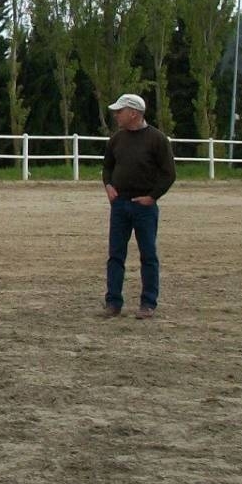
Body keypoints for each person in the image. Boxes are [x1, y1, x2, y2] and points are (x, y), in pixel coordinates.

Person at [101, 93, 175, 319]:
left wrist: (152, 197)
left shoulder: (157, 139)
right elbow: (107, 167)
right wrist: (109, 186)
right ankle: (113, 302)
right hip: (120, 205)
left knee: (148, 255)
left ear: (133, 113)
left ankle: (148, 303)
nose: (116, 115)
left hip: (144, 207)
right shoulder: (116, 139)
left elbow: (168, 174)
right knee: (115, 255)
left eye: (120, 111)